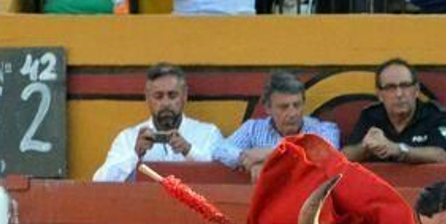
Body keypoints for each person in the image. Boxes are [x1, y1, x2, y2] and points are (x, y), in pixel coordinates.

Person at [93, 63, 224, 182]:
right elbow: (100, 182)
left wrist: (189, 151)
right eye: (158, 96)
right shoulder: (128, 138)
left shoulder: (208, 134)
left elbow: (223, 177)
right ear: (147, 97)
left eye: (172, 95)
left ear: (184, 95)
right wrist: (135, 155)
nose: (166, 103)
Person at [214, 71, 341, 179]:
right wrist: (247, 159)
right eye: (283, 107)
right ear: (268, 108)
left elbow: (326, 155)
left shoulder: (323, 130)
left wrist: (270, 156)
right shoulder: (252, 129)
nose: (292, 113)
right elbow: (221, 150)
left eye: (297, 105)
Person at [342, 58, 446, 163]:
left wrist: (399, 150)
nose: (399, 94)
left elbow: (441, 156)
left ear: (416, 90)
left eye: (405, 85)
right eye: (390, 87)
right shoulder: (371, 115)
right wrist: (365, 147)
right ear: (379, 94)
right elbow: (344, 156)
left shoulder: (434, 114)